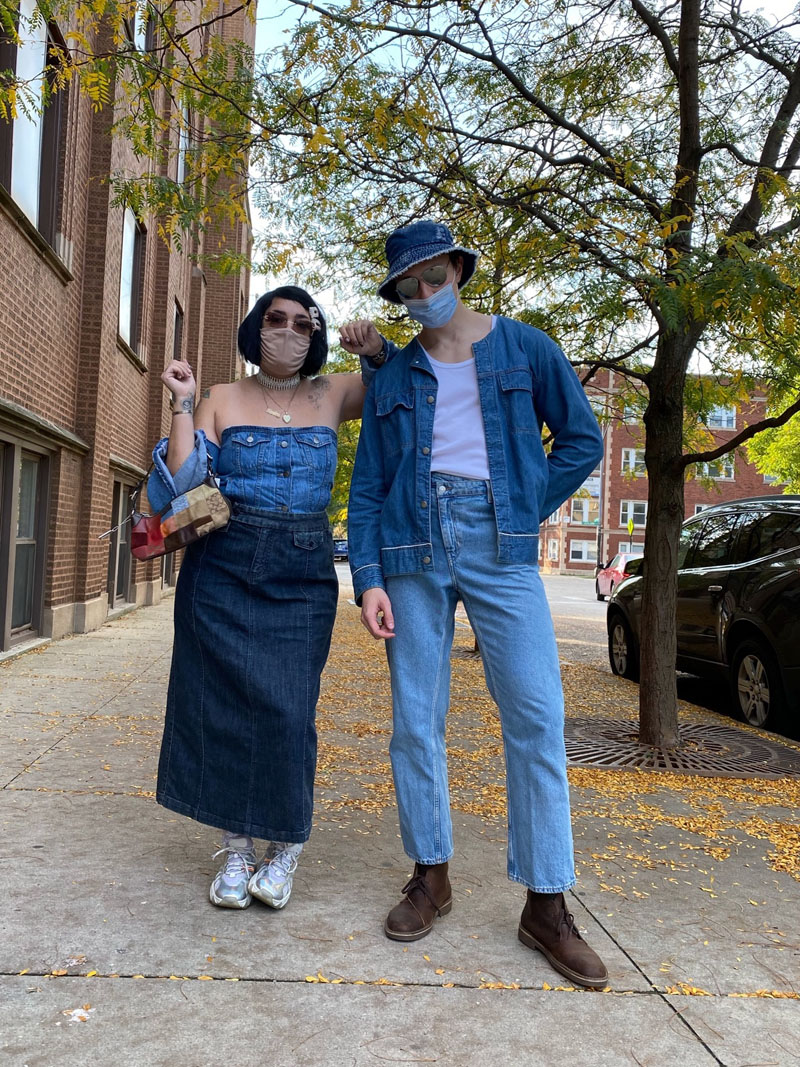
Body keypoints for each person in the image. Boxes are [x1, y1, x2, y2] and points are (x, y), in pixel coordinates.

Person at [347, 221, 609, 988]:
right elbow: (366, 491)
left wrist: (523, 507)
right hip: (412, 553)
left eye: (435, 277)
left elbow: (582, 441)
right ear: (400, 296)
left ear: (459, 269)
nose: (425, 294)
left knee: (536, 716)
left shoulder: (525, 348)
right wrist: (367, 578)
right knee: (414, 719)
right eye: (410, 287)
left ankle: (546, 902)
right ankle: (432, 874)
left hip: (502, 548)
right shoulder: (393, 379)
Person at [148, 286, 384, 911]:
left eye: (303, 323)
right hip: (222, 565)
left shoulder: (333, 391)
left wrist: (375, 349)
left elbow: (401, 386)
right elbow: (184, 483)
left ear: (316, 334)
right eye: (276, 320)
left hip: (302, 569)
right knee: (224, 706)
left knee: (287, 711)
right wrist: (182, 403)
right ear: (256, 328)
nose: (288, 331)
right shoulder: (221, 397)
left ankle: (285, 845)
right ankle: (236, 848)